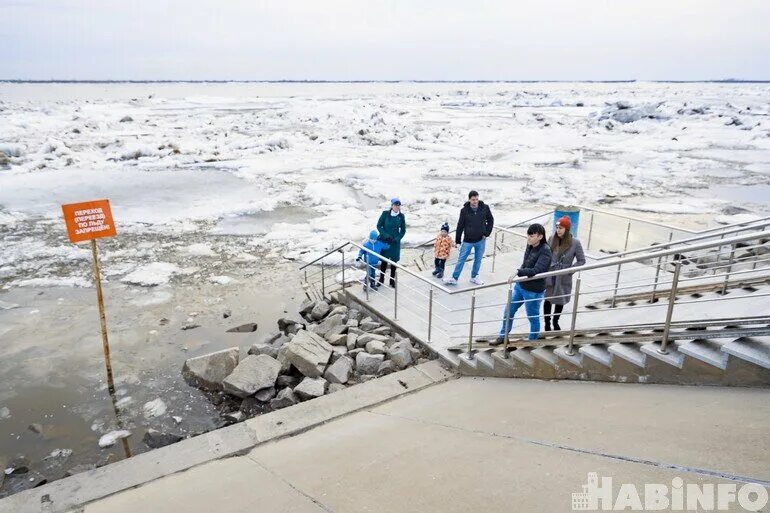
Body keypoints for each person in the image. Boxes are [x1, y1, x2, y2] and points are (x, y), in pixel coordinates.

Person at [493, 223, 552, 343]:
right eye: (528, 235)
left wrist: (518, 271)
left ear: (540, 237)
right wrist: (519, 274)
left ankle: (532, 342)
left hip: (534, 291)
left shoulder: (545, 251)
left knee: (532, 317)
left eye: (532, 235)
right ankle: (503, 336)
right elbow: (526, 263)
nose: (528, 238)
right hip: (521, 285)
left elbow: (537, 270)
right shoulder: (530, 245)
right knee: (508, 311)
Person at [544, 216, 586, 331]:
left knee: (560, 300)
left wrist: (570, 271)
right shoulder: (552, 238)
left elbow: (581, 260)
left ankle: (555, 321)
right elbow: (546, 254)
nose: (558, 230)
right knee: (547, 299)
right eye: (557, 227)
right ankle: (547, 323)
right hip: (551, 273)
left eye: (561, 228)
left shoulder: (575, 243)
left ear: (566, 229)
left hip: (563, 276)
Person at [444, 190, 494, 285]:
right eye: (473, 200)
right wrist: (458, 241)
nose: (475, 202)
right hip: (468, 240)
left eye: (476, 199)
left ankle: (474, 277)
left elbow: (491, 220)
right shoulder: (464, 210)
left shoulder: (485, 208)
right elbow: (460, 226)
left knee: (478, 259)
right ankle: (454, 278)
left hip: (481, 239)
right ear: (469, 200)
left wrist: (487, 233)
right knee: (461, 259)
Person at [376, 198, 407, 288]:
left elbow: (403, 230)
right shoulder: (385, 214)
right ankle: (381, 279)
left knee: (394, 262)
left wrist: (397, 239)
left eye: (398, 205)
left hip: (395, 243)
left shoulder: (401, 216)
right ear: (392, 205)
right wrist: (385, 235)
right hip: (385, 241)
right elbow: (379, 226)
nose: (397, 207)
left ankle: (392, 281)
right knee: (384, 261)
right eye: (395, 205)